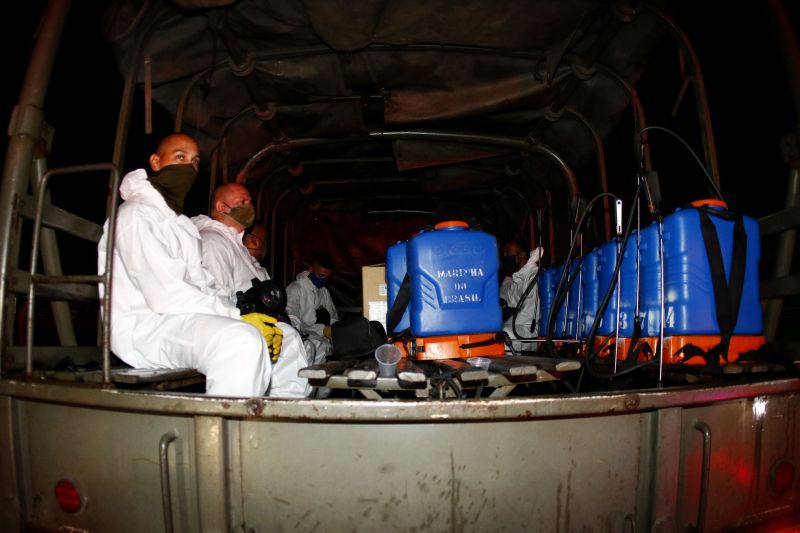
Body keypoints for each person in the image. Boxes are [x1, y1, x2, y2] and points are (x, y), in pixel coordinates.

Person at [97, 133, 278, 397]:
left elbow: (205, 286)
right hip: (146, 328)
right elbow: (167, 295)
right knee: (240, 342)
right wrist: (238, 318)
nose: (188, 168)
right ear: (156, 163)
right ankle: (220, 435)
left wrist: (242, 314)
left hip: (179, 319)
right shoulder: (136, 216)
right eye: (179, 157)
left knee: (272, 339)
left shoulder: (181, 225)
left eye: (194, 162)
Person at [192, 183, 312, 398]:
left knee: (289, 337)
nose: (250, 206)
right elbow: (213, 296)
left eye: (250, 201)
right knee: (287, 339)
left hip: (252, 323)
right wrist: (245, 319)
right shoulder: (213, 242)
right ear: (222, 207)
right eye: (242, 202)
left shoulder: (236, 246)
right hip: (230, 326)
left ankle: (283, 408)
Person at [286, 254, 339, 358]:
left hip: (324, 343)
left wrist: (336, 329)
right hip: (304, 343)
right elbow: (291, 322)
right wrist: (322, 330)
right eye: (321, 275)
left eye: (327, 277)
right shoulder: (295, 289)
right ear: (311, 269)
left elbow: (333, 317)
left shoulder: (324, 292)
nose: (324, 280)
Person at [499, 238, 543, 352]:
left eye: (508, 252)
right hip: (515, 327)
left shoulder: (534, 276)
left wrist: (510, 314)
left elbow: (529, 316)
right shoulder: (517, 279)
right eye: (503, 253)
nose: (505, 256)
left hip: (529, 331)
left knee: (504, 335)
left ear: (522, 256)